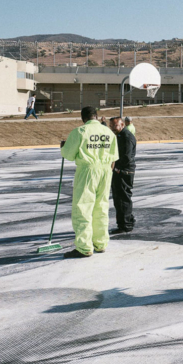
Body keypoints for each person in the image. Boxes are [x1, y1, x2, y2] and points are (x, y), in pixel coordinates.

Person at [60, 107, 118, 258]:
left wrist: (63, 147)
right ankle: (100, 243)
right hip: (106, 171)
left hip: (88, 170)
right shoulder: (108, 133)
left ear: (83, 118)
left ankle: (84, 247)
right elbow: (114, 157)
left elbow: (68, 154)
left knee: (83, 207)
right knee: (101, 206)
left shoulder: (80, 132)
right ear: (97, 117)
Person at [109, 117, 137, 234]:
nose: (112, 128)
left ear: (122, 125)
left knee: (122, 198)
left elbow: (126, 156)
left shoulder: (126, 136)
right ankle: (127, 220)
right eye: (111, 125)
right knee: (121, 198)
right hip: (122, 170)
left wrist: (117, 169)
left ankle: (125, 225)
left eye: (115, 125)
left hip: (124, 171)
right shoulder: (121, 135)